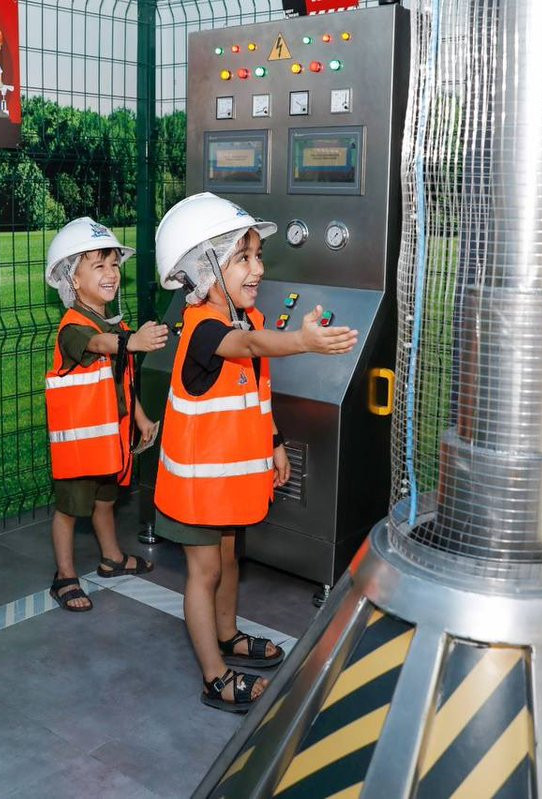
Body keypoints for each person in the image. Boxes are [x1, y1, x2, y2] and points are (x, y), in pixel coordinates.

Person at [152, 192, 359, 713]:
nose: (258, 268)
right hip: (196, 490)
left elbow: (253, 393)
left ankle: (227, 636)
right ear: (205, 271)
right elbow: (247, 349)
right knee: (204, 573)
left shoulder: (243, 320)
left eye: (257, 255)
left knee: (228, 560)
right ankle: (214, 676)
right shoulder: (205, 330)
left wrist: (274, 443)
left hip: (223, 486)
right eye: (242, 258)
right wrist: (304, 342)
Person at [43, 217, 168, 611]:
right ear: (73, 279)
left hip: (108, 444)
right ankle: (64, 576)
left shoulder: (115, 324)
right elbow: (101, 345)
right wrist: (132, 341)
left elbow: (123, 380)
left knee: (105, 500)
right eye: (99, 266)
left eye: (114, 264)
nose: (111, 273)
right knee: (69, 510)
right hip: (80, 448)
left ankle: (111, 557)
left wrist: (140, 417)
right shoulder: (74, 328)